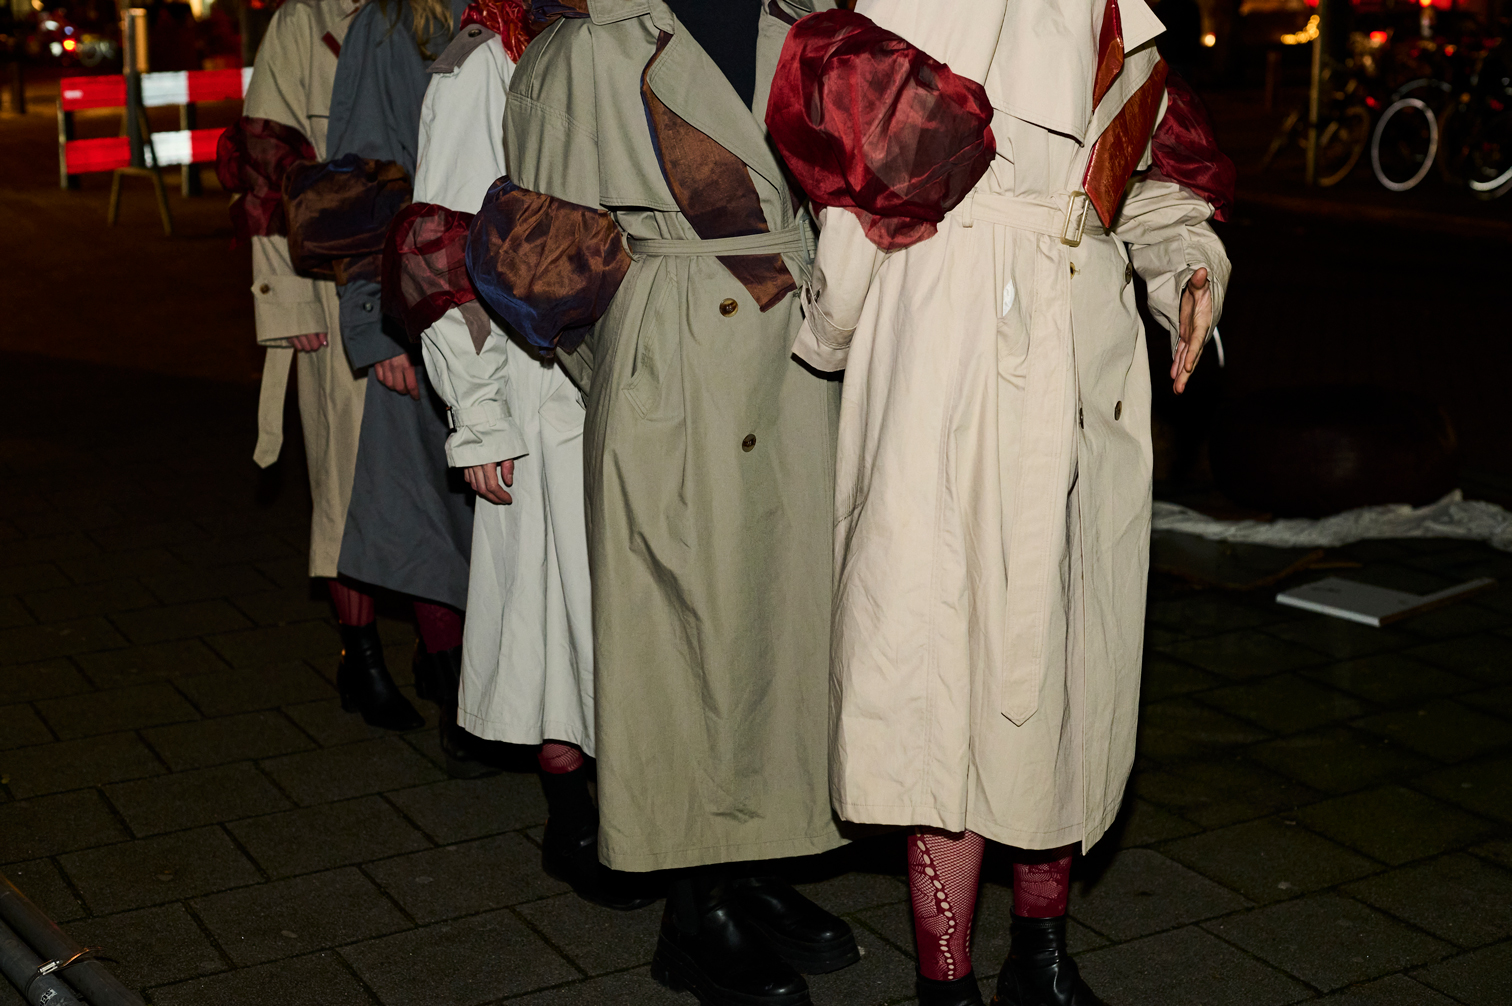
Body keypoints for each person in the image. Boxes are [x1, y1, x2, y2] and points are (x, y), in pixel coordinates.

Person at [765, 3, 1235, 1005]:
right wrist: (833, 327)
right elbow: (878, 167)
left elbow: (1137, 188)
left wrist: (1188, 274)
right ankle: (948, 986)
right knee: (948, 673)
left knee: (1068, 656)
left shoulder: (1127, 20)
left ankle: (1040, 956)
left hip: (1082, 351)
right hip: (959, 338)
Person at [464, 1, 861, 1003]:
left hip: (800, 356)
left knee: (785, 625)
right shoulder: (586, 45)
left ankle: (759, 856)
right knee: (685, 637)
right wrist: (639, 366)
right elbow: (542, 258)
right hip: (678, 360)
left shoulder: (801, 19)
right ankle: (694, 906)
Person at [385, 0, 651, 908]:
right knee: (551, 614)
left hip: (623, 370)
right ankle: (574, 817)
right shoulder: (479, 66)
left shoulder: (607, 36)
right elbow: (442, 252)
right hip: (534, 383)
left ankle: (643, 810)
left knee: (608, 614)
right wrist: (479, 415)